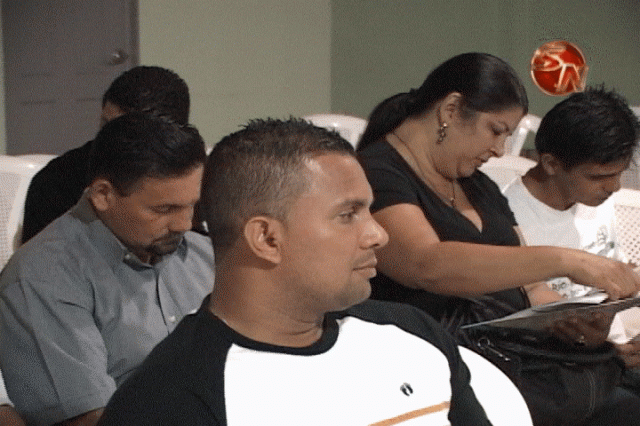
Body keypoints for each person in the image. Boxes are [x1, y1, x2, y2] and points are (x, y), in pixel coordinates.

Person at [97, 118, 497, 426]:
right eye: (348, 215)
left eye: (369, 210)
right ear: (267, 238)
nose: (378, 234)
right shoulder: (170, 401)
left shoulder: (413, 334)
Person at [357, 52, 640, 425]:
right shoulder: (377, 173)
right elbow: (425, 264)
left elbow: (532, 290)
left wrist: (579, 323)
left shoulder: (479, 185)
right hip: (442, 366)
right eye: (496, 130)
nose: (500, 150)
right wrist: (567, 261)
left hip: (511, 359)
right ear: (450, 109)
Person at [0, 113, 214, 426]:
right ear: (103, 196)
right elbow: (90, 420)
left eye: (192, 205)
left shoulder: (205, 254)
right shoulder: (43, 278)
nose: (184, 224)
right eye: (164, 209)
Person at [503, 86, 640, 376]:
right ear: (551, 163)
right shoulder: (506, 218)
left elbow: (618, 278)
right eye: (599, 177)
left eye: (619, 174)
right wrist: (604, 351)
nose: (614, 187)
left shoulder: (594, 199)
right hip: (564, 365)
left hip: (613, 353)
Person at [21, 65, 191, 243]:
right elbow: (43, 256)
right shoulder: (58, 181)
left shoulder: (193, 179)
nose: (108, 142)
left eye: (126, 135)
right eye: (105, 125)